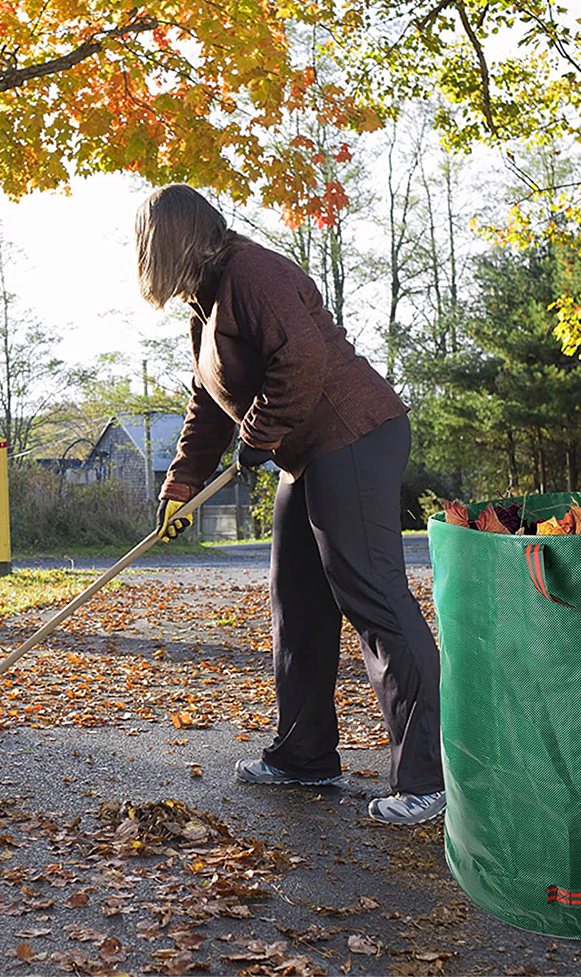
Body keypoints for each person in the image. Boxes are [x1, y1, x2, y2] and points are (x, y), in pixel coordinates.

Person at [136, 184, 444, 825]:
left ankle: (428, 778)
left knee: (372, 595)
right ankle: (305, 755)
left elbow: (301, 358)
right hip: (306, 453)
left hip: (352, 433)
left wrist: (259, 437)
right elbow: (205, 406)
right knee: (296, 599)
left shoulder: (254, 272)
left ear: (171, 242)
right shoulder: (205, 305)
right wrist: (181, 486)